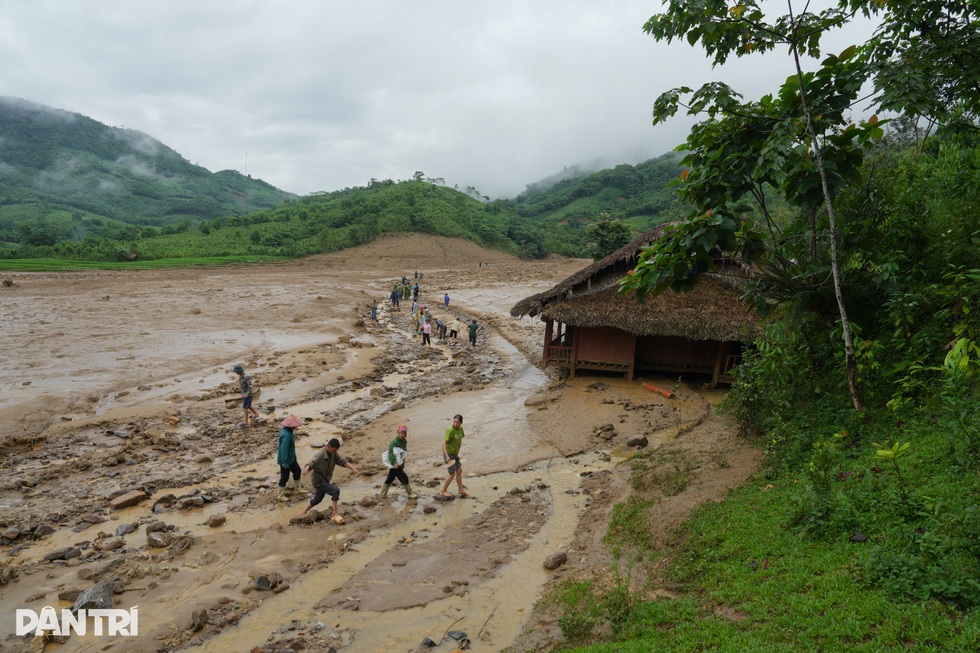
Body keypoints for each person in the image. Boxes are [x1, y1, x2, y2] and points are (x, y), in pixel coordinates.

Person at [300, 438, 361, 522]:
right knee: (335, 490)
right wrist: (306, 469)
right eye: (334, 450)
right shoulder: (320, 455)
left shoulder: (333, 453)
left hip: (325, 480)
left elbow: (342, 461)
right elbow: (312, 462)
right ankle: (334, 513)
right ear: (328, 447)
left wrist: (353, 469)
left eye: (336, 450)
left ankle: (303, 512)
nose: (335, 452)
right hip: (318, 481)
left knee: (318, 499)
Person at [381, 425, 416, 499]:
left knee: (390, 478)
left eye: (402, 433)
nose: (400, 435)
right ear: (397, 433)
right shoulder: (394, 443)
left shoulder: (404, 441)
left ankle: (382, 494)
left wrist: (403, 462)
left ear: (405, 434)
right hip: (395, 464)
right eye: (399, 433)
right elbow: (391, 454)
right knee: (405, 478)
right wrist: (394, 463)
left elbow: (403, 452)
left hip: (400, 463)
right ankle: (410, 494)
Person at [277, 416, 303, 501]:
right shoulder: (287, 435)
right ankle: (280, 495)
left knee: (297, 471)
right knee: (284, 476)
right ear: (291, 426)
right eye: (295, 425)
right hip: (286, 459)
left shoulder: (286, 431)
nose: (296, 427)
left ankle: (298, 489)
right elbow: (283, 449)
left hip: (291, 458)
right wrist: (285, 462)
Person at [441, 414, 467, 498]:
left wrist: (457, 453)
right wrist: (447, 456)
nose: (456, 424)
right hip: (448, 454)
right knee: (452, 474)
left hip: (455, 454)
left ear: (461, 423)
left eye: (458, 422)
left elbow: (459, 441)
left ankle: (460, 489)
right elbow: (443, 443)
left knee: (459, 470)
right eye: (454, 422)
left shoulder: (461, 429)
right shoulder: (450, 430)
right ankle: (444, 491)